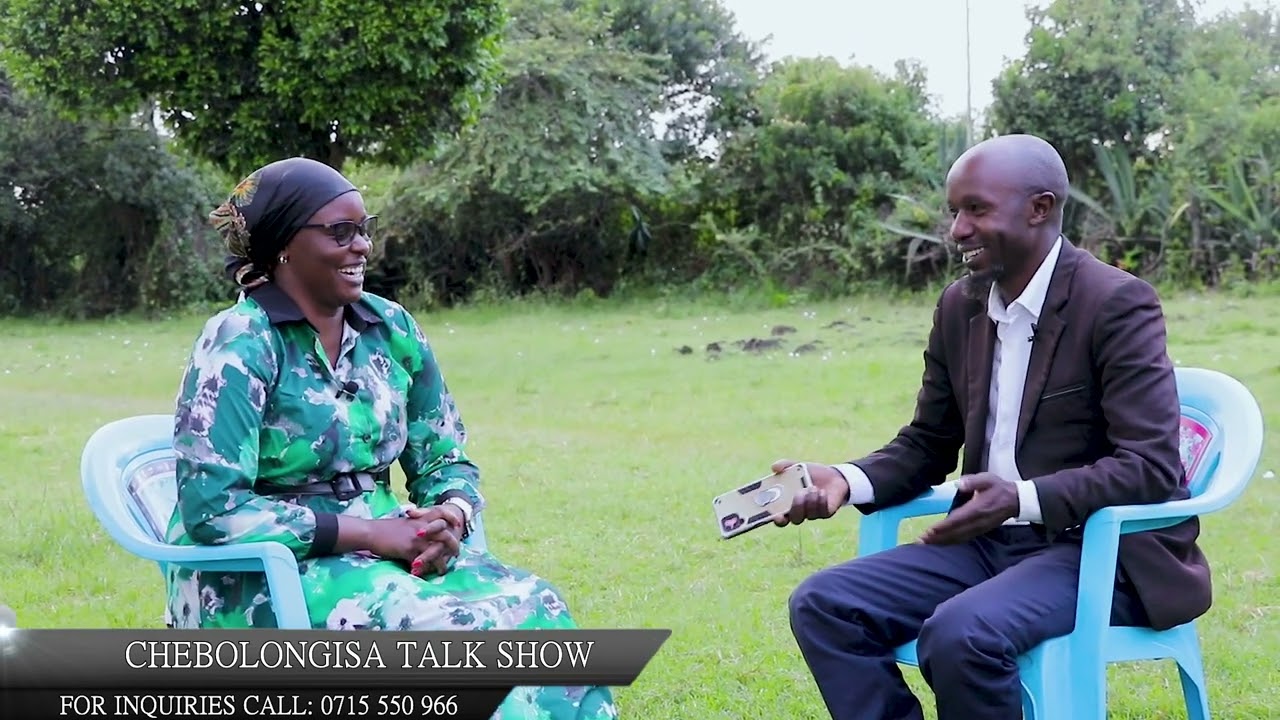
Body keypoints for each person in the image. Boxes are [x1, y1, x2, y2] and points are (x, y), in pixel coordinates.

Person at [165, 157, 619, 720]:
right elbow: (212, 509)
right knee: (447, 635)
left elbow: (446, 457)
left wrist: (448, 515)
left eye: (364, 229)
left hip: (389, 548)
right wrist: (372, 535)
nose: (361, 246)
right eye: (340, 232)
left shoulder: (390, 328)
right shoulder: (241, 341)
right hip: (261, 573)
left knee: (538, 608)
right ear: (283, 244)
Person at [774, 134, 1208, 720]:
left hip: (1098, 551)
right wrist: (846, 481)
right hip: (988, 545)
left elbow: (1151, 466)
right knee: (825, 604)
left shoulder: (1115, 303)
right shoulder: (961, 306)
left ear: (1041, 208)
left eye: (976, 209)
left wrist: (1022, 498)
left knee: (961, 635)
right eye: (955, 211)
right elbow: (927, 443)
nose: (957, 229)